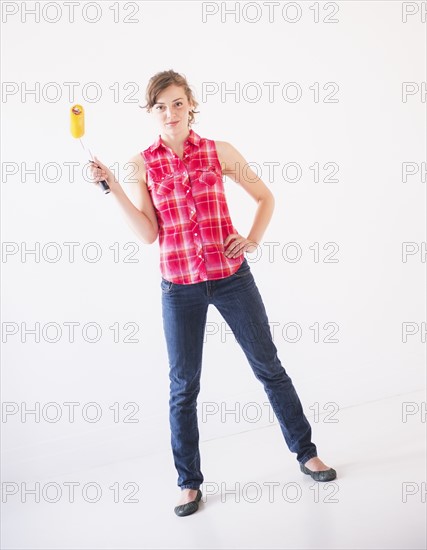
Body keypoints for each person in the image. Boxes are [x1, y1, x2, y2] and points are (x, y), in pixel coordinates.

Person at [89, 69, 337, 517]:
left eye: (177, 103)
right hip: (178, 287)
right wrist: (113, 188)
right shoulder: (140, 164)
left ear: (191, 105)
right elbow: (148, 234)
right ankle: (189, 484)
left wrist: (253, 239)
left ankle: (306, 454)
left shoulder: (219, 151)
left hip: (231, 277)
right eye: (160, 106)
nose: (170, 112)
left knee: (269, 367)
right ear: (151, 112)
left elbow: (266, 198)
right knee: (183, 387)